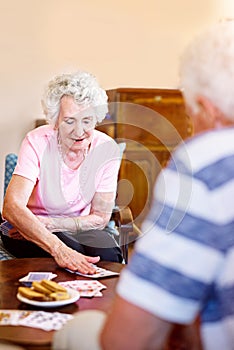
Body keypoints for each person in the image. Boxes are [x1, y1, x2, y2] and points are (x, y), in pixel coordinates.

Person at [52, 21, 234, 349]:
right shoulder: (40, 144)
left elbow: (128, 340)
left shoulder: (206, 163)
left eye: (191, 115)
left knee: (77, 330)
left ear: (207, 109)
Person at [0, 71, 123, 274]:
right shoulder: (36, 141)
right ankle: (60, 303)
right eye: (69, 121)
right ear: (55, 120)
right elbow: (11, 207)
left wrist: (51, 223)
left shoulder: (106, 149)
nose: (79, 131)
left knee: (108, 254)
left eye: (87, 120)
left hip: (78, 227)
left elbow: (100, 218)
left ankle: (97, 303)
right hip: (27, 229)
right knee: (70, 252)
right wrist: (57, 246)